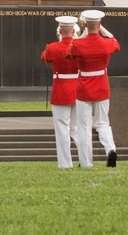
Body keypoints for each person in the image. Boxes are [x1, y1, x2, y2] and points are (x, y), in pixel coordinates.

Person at [67, 9, 120, 168]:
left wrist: (84, 32)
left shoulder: (78, 44)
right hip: (102, 86)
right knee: (103, 123)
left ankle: (86, 162)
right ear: (99, 24)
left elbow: (70, 52)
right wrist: (101, 29)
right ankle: (110, 148)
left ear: (84, 24)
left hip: (84, 87)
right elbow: (115, 41)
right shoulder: (106, 44)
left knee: (84, 127)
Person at [40, 15, 81, 169]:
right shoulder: (79, 46)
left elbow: (44, 57)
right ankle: (85, 157)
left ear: (60, 31)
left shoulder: (52, 47)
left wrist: (59, 41)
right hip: (78, 89)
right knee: (77, 128)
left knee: (62, 129)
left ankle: (65, 163)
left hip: (61, 90)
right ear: (73, 30)